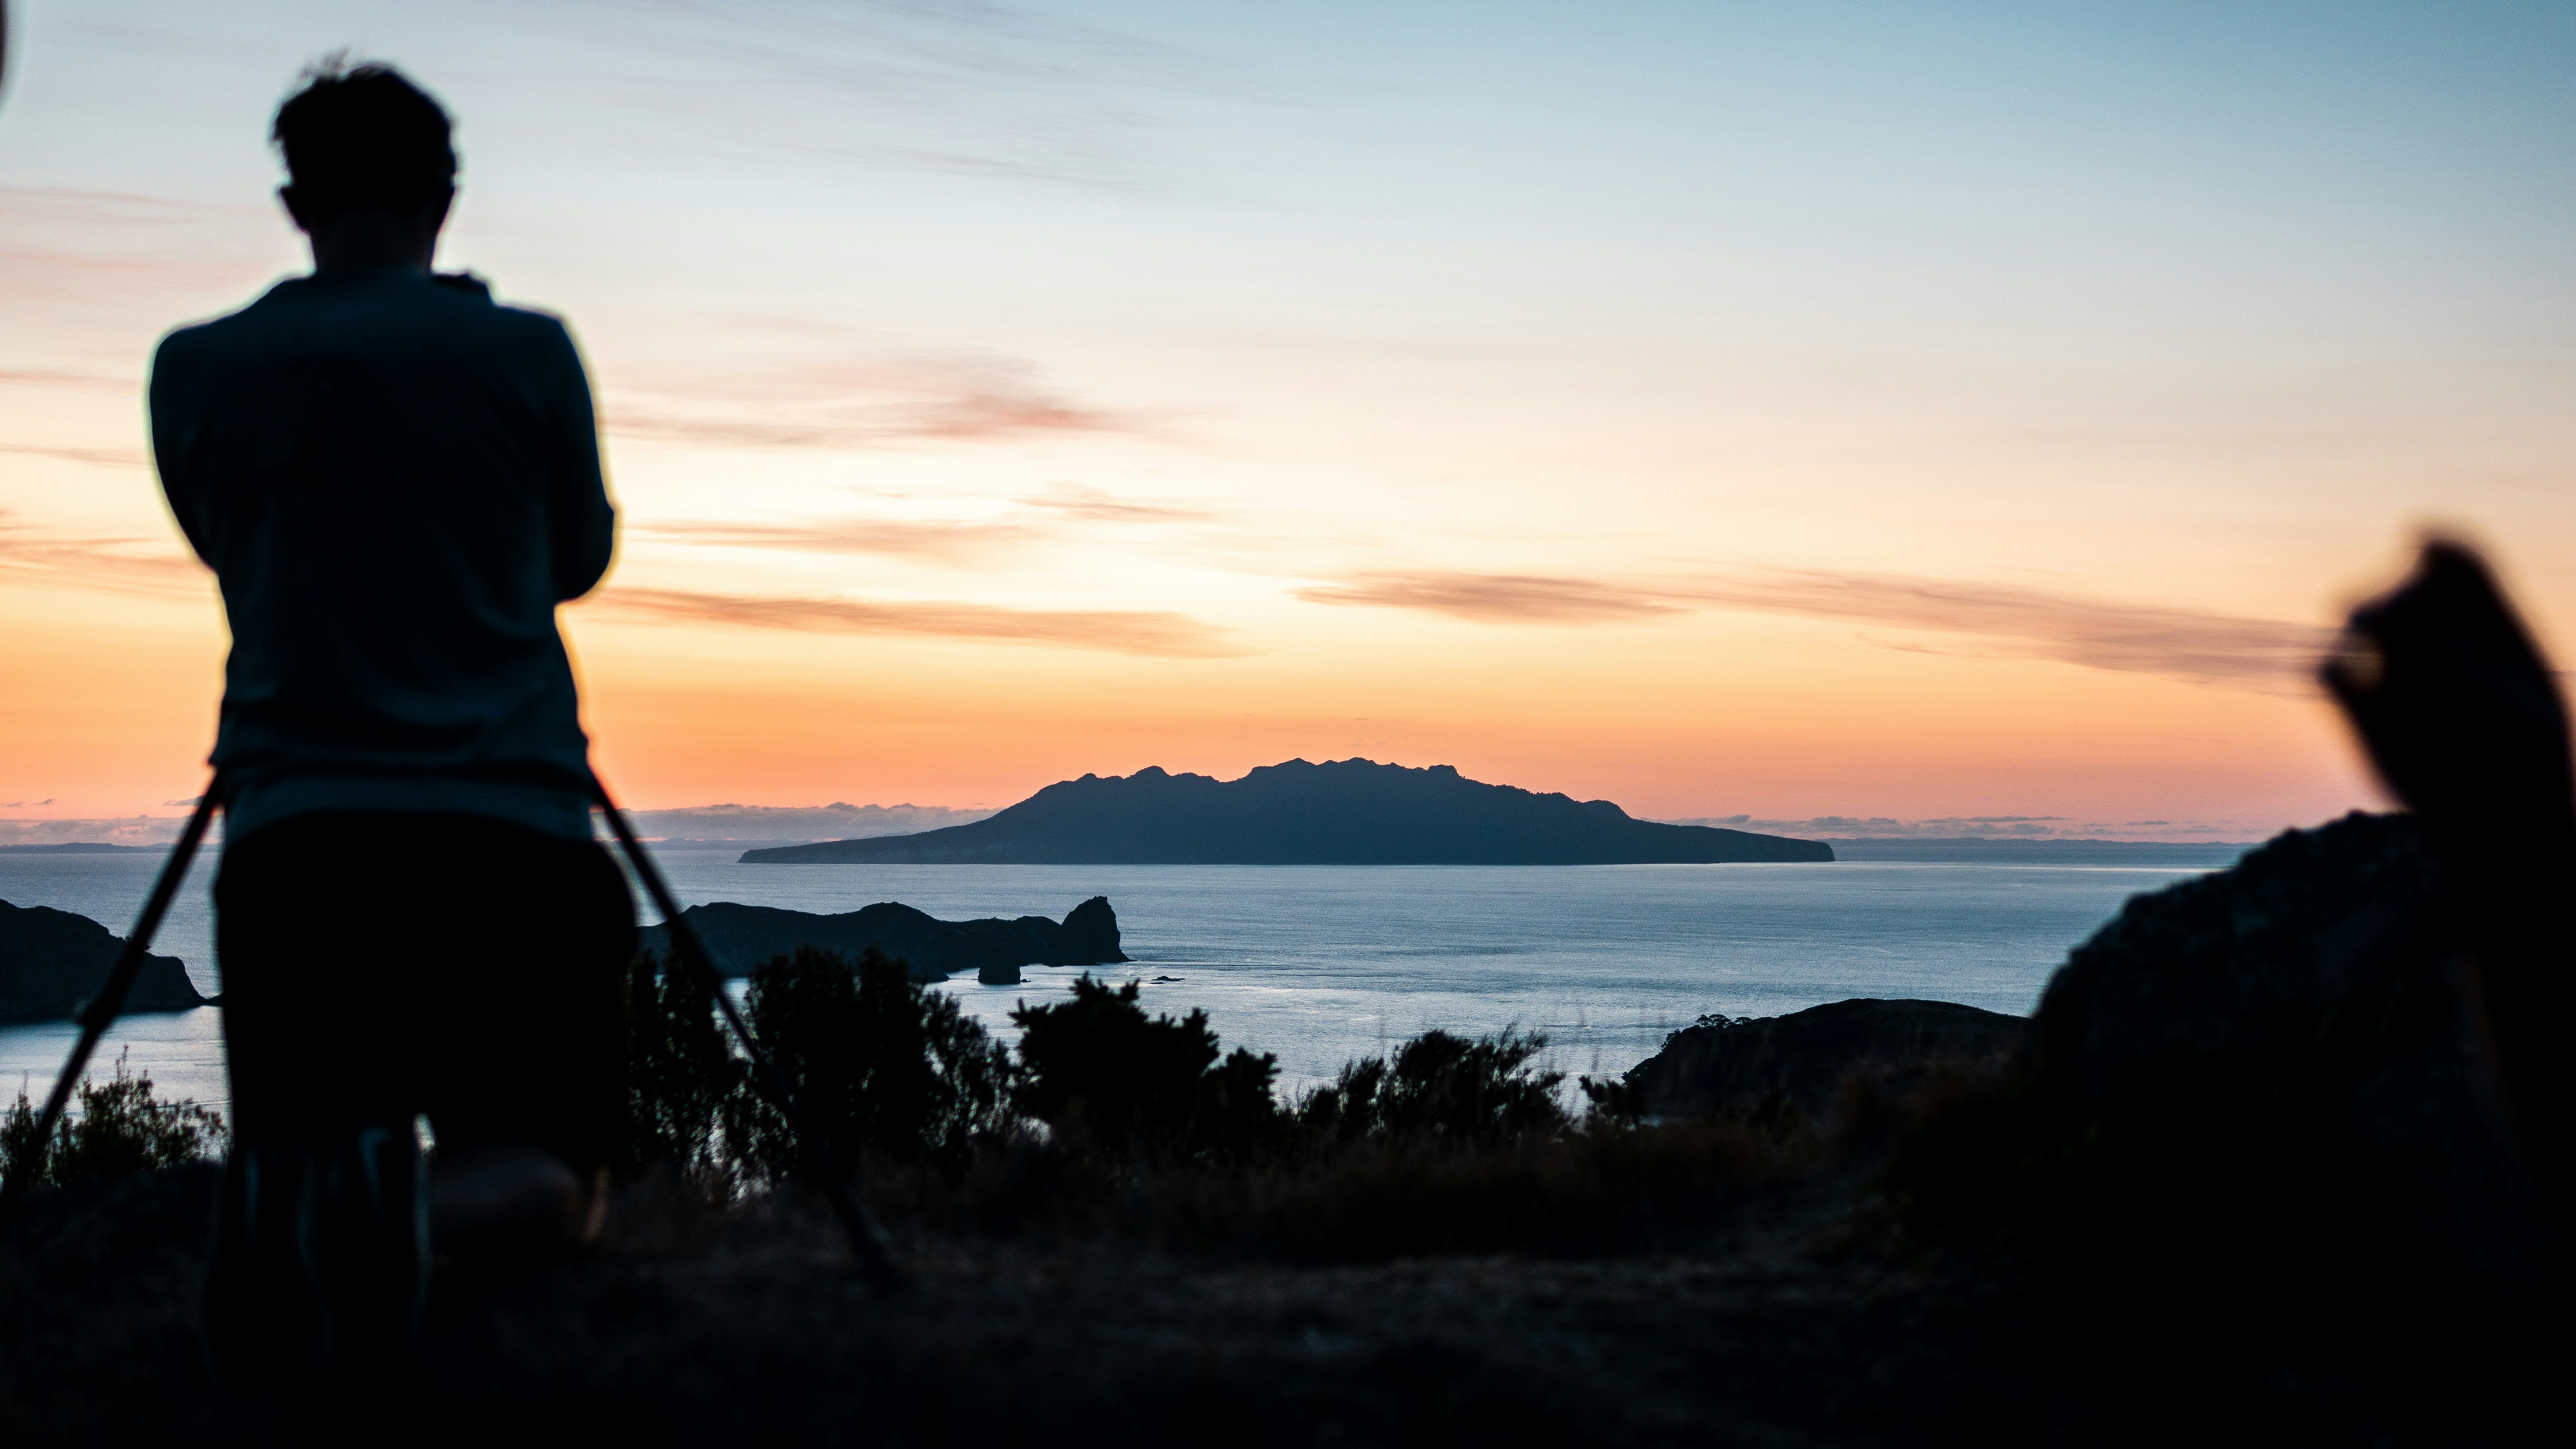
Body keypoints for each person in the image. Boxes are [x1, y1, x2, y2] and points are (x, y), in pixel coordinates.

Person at [149, 59, 632, 1380]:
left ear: (295, 198)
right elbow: (576, 559)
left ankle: (307, 1210)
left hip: (297, 834)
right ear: (447, 193)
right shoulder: (524, 353)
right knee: (550, 1176)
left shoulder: (195, 371)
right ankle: (394, 1213)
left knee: (308, 1134)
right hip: (509, 830)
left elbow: (223, 548)